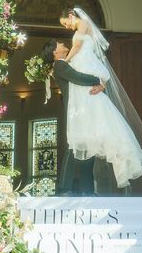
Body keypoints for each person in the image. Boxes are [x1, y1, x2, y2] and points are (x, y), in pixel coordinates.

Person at [58, 6, 142, 188]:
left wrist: (65, 61)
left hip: (84, 66)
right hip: (84, 68)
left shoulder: (83, 23)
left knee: (97, 108)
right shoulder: (80, 28)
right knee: (93, 111)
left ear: (71, 16)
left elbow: (77, 46)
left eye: (65, 23)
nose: (66, 27)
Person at [41, 39, 105, 196]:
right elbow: (77, 77)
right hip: (75, 111)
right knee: (73, 146)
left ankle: (88, 190)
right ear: (55, 52)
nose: (63, 43)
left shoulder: (67, 63)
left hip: (82, 109)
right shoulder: (59, 65)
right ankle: (64, 188)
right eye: (59, 44)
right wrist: (98, 79)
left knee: (87, 146)